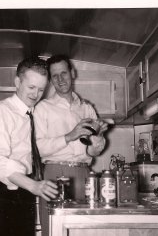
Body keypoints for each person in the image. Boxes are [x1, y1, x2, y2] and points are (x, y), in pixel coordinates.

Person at [0, 57, 58, 236]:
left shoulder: (32, 113)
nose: (36, 94)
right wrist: (33, 185)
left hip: (23, 193)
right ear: (17, 82)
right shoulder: (2, 111)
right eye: (31, 87)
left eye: (41, 89)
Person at [34, 54, 108, 236]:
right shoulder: (42, 108)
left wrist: (99, 138)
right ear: (50, 79)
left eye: (64, 73)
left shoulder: (86, 108)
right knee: (55, 230)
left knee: (83, 229)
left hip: (84, 173)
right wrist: (70, 135)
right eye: (55, 76)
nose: (60, 79)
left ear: (72, 73)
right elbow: (37, 148)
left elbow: (93, 150)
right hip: (54, 173)